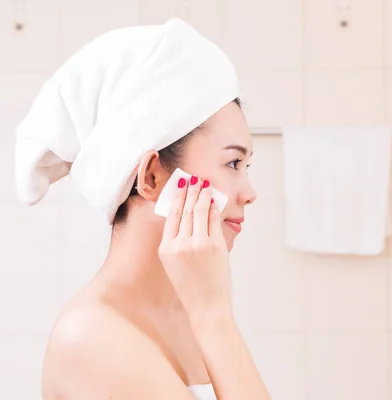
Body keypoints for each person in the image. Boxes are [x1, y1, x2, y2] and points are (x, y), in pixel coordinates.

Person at [14, 19, 269, 400]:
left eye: (246, 167)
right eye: (233, 164)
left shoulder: (189, 309)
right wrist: (214, 318)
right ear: (151, 176)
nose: (249, 193)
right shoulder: (90, 338)